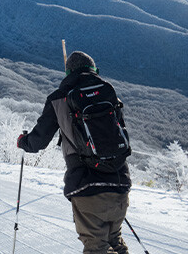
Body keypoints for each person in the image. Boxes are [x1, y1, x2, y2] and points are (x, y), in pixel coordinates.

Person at [17, 51, 131, 254]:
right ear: (93, 70)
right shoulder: (109, 93)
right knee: (115, 242)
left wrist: (23, 142)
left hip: (86, 186)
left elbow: (38, 141)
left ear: (69, 72)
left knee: (96, 248)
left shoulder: (58, 99)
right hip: (120, 183)